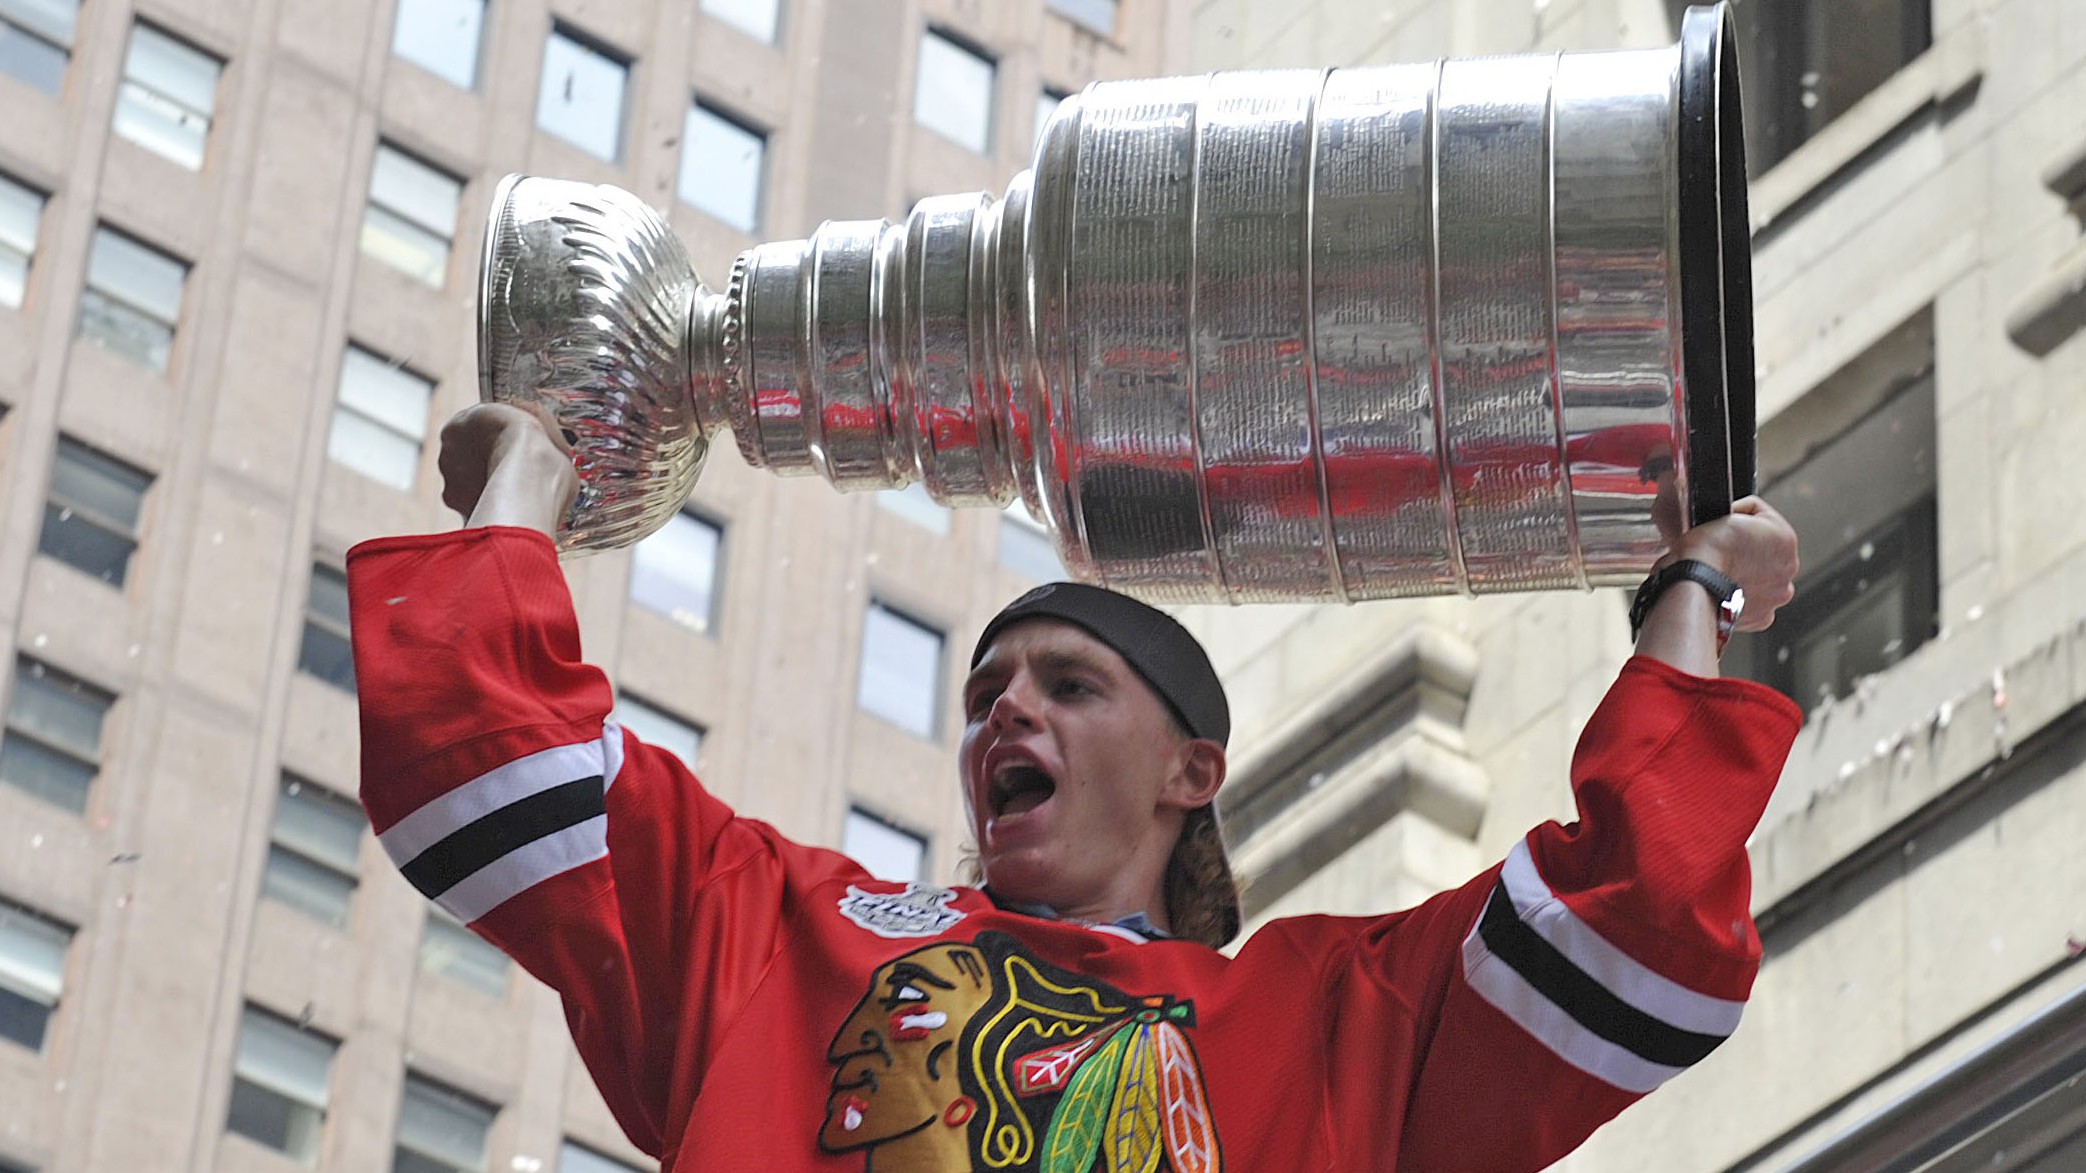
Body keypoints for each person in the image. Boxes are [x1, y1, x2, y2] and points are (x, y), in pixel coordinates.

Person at [349, 403, 1803, 1172]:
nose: (1005, 712)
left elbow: (1634, 927)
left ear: (1193, 771)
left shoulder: (1323, 1022)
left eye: (1067, 682)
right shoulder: (782, 930)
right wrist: (527, 488)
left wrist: (1688, 590)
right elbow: (487, 774)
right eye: (986, 693)